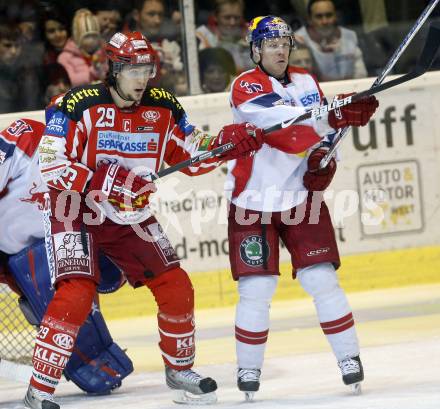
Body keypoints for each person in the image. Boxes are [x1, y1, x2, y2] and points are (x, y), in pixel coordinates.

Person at [23, 31, 264, 408]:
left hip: (127, 214)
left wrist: (226, 145)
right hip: (74, 209)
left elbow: (192, 153)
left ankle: (179, 371)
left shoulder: (164, 106)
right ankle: (39, 390)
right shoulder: (74, 104)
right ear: (114, 69)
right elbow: (51, 164)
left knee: (175, 284)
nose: (141, 79)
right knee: (76, 293)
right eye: (133, 70)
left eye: (146, 69)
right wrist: (102, 180)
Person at [226, 15, 379, 400]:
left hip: (300, 199)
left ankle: (349, 358)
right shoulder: (245, 86)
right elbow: (287, 131)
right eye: (271, 44)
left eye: (284, 43)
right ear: (256, 49)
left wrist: (324, 159)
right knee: (257, 288)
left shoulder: (307, 81)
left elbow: (321, 138)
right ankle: (248, 367)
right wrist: (335, 115)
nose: (279, 50)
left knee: (321, 279)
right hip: (253, 202)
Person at [0, 118, 133, 397]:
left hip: (46, 255)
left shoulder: (100, 167)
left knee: (76, 299)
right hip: (21, 256)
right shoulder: (27, 135)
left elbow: (113, 276)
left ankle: (89, 360)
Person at [295, 0, 367, 81]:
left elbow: (361, 75)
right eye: (319, 16)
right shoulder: (298, 40)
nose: (324, 21)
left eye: (329, 15)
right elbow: (300, 79)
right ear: (309, 19)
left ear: (336, 16)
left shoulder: (349, 36)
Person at [196, 0, 253, 73]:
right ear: (215, 17)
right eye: (227, 18)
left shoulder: (253, 34)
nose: (232, 22)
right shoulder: (203, 35)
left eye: (237, 18)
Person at [57, 9, 107, 87]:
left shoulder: (102, 52)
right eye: (87, 37)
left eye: (94, 36)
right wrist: (93, 71)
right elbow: (70, 81)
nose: (91, 41)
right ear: (77, 37)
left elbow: (109, 74)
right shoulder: (65, 57)